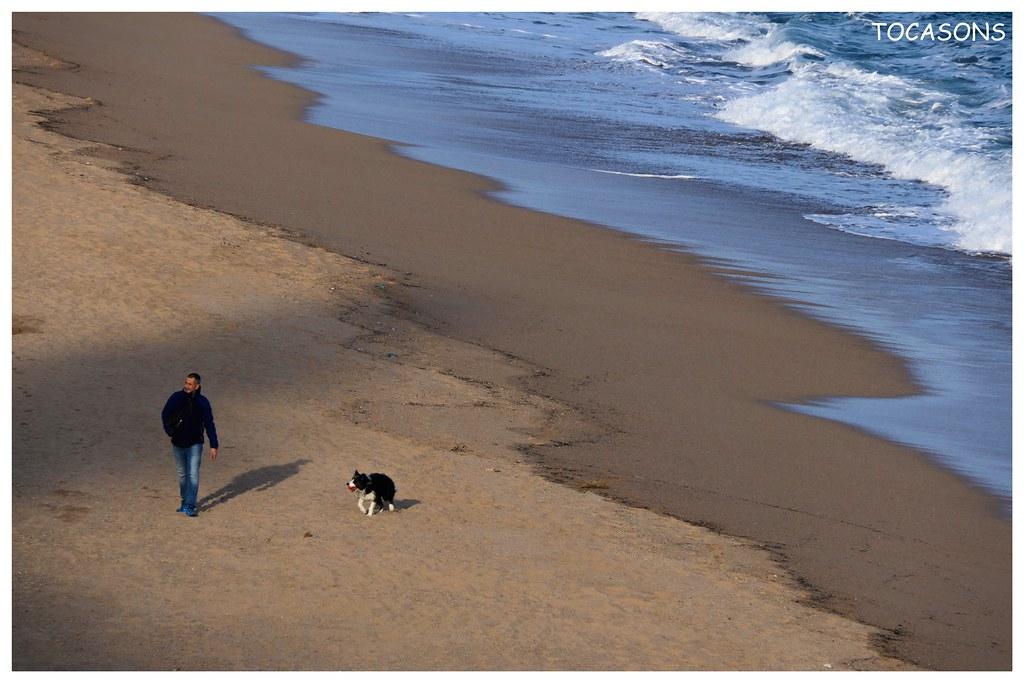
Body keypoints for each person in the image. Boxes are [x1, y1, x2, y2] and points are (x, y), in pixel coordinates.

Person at [161, 372, 219, 517]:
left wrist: (214, 444)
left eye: (190, 384)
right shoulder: (176, 397)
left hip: (195, 443)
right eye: (186, 383)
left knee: (192, 474)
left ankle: (190, 505)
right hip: (178, 443)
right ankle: (184, 500)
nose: (186, 386)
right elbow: (165, 414)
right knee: (182, 475)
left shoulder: (202, 402)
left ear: (197, 386)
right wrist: (170, 432)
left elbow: (209, 423)